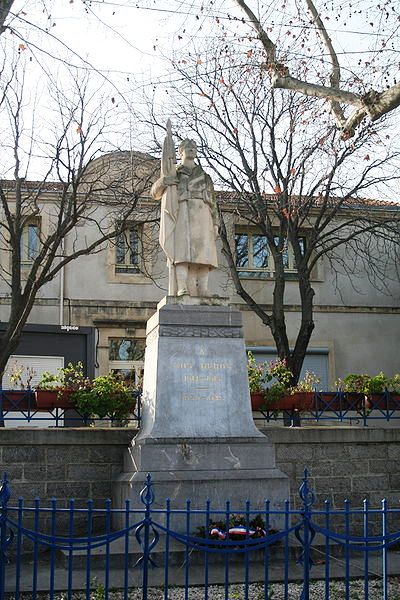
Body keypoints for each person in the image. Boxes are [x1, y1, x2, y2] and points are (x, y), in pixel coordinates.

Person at [151, 138, 218, 297]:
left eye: (193, 147)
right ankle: (182, 287)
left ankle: (203, 289)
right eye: (187, 147)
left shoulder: (205, 176)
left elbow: (214, 203)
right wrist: (164, 181)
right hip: (183, 213)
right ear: (180, 151)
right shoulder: (174, 172)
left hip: (203, 215)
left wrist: (216, 223)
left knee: (204, 255)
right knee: (182, 253)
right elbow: (154, 192)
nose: (191, 149)